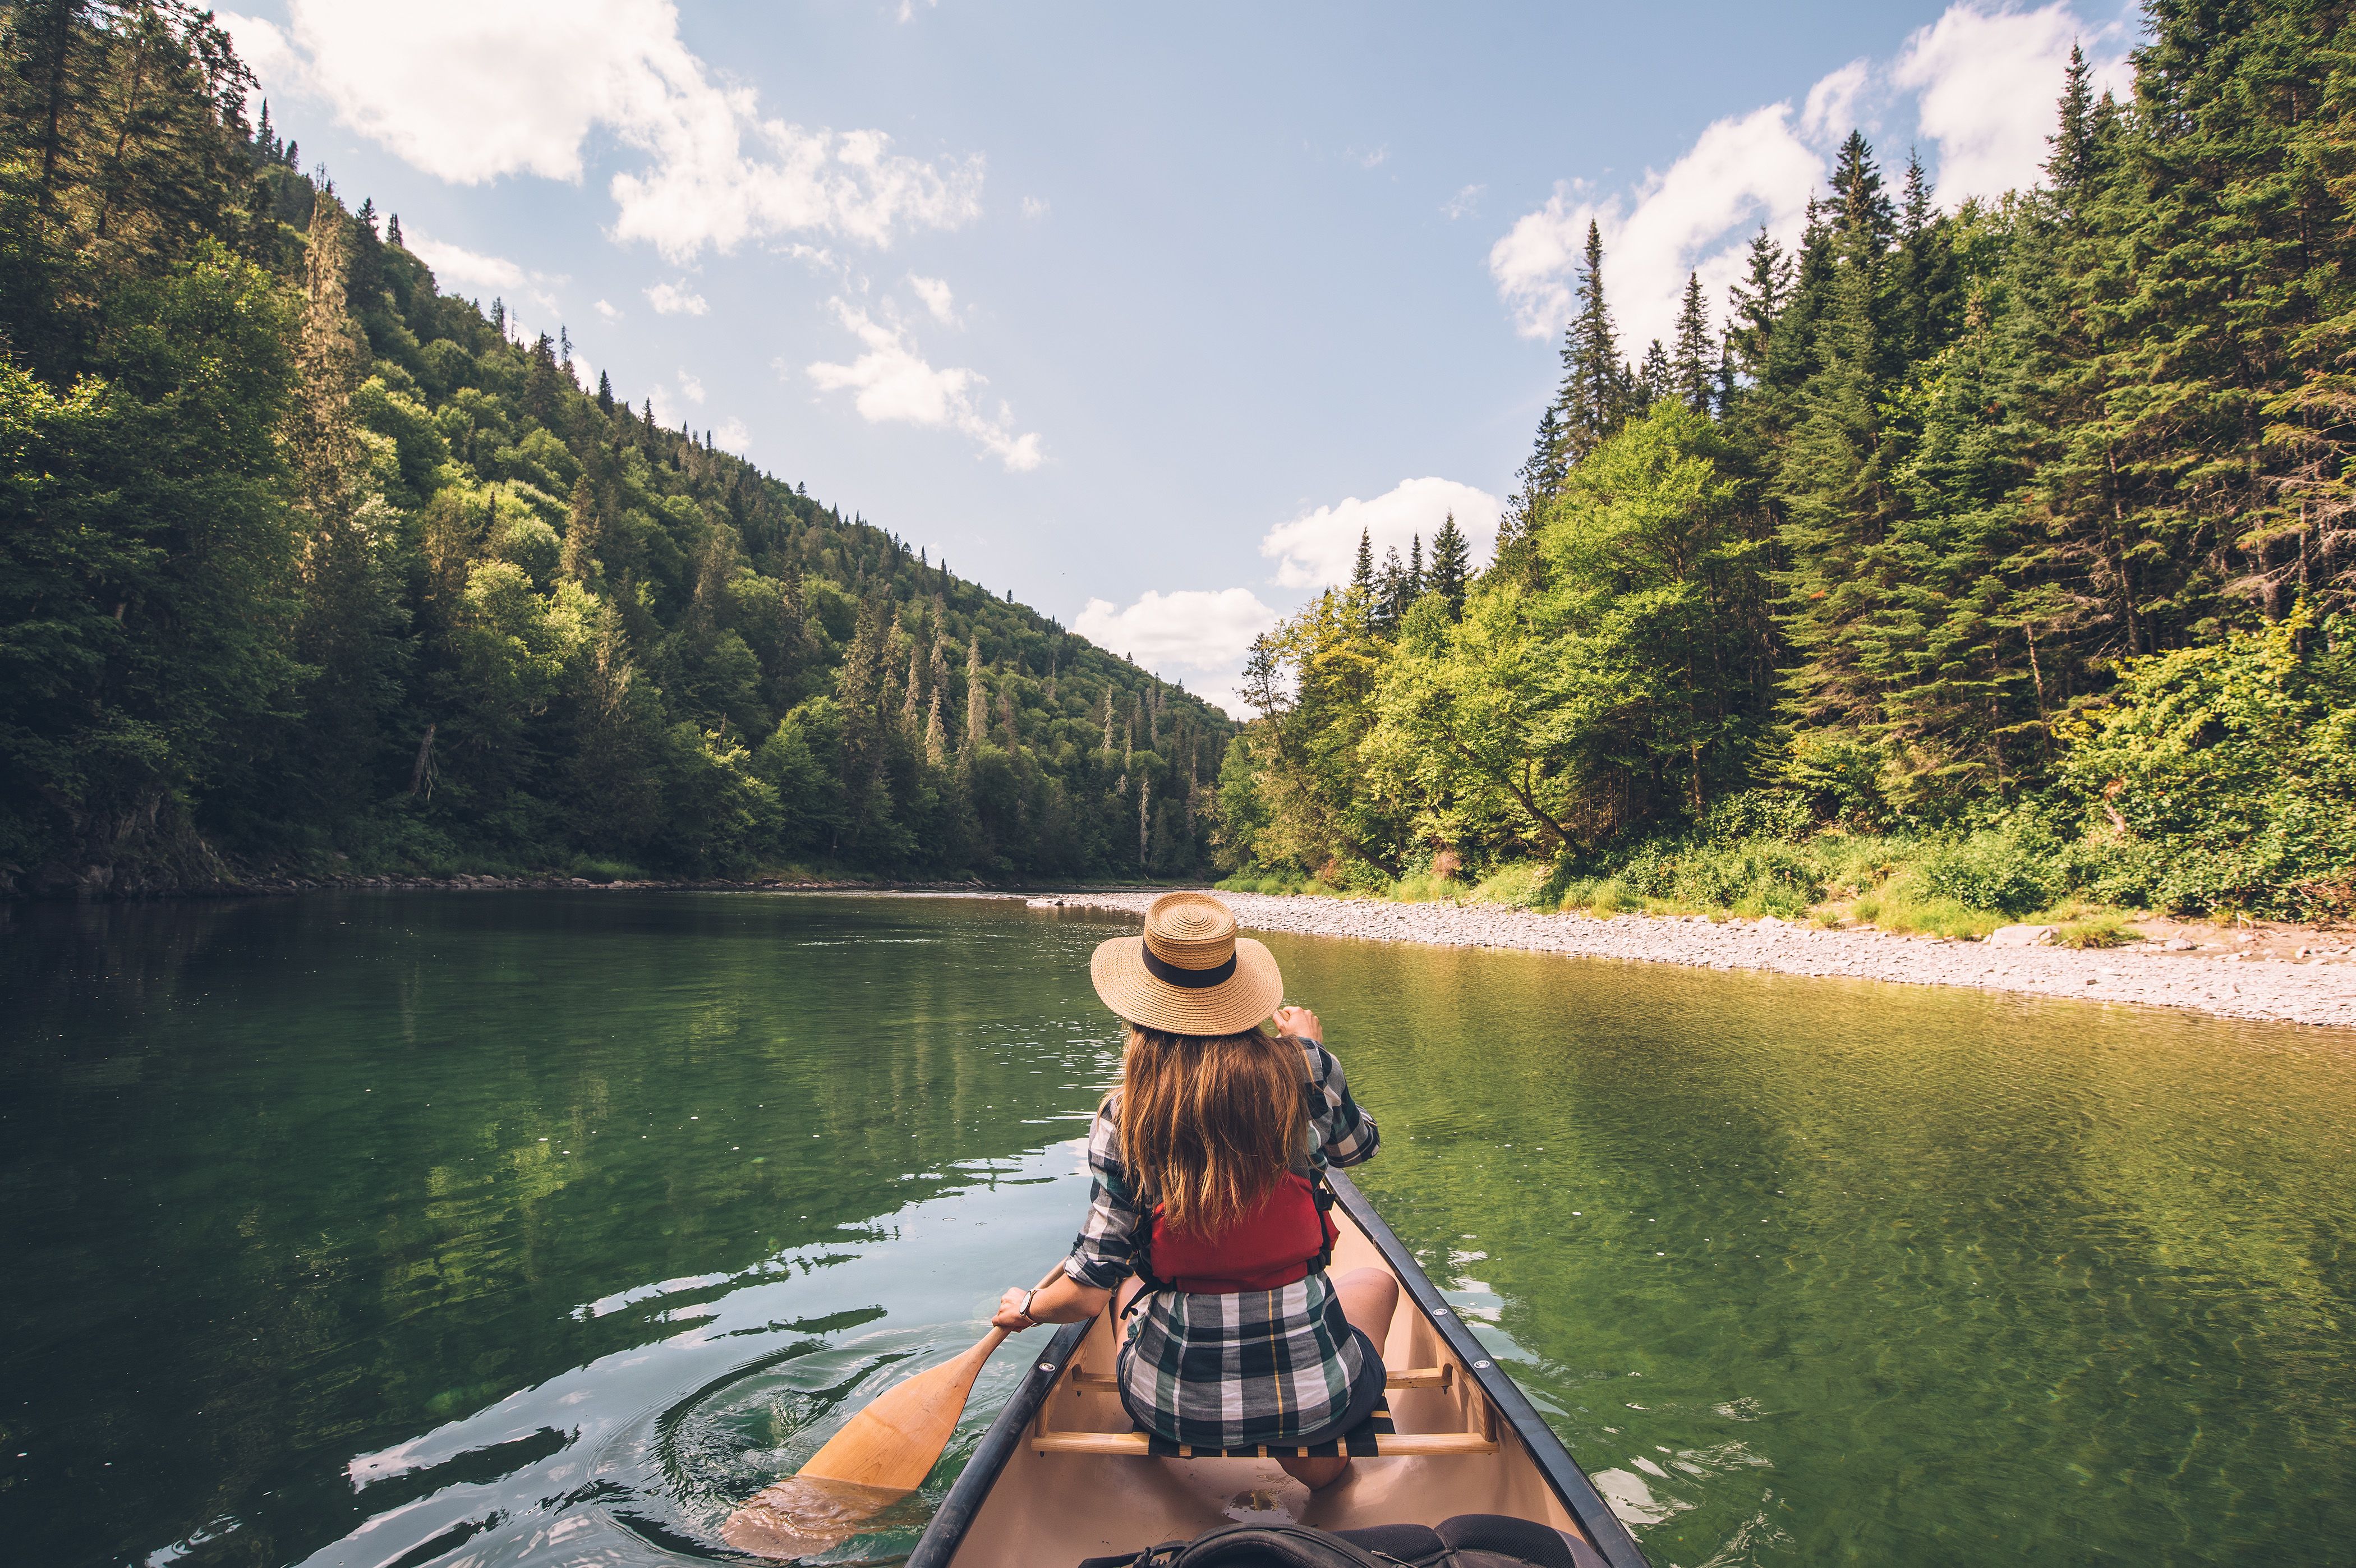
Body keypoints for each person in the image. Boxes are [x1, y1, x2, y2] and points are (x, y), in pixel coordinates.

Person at [993, 891, 1396, 1490]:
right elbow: (1356, 1149)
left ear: (1142, 1011)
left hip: (1172, 1405)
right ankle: (1321, 1465)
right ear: (1240, 994)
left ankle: (1166, 1470)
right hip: (1313, 1402)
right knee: (1376, 1283)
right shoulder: (1306, 1067)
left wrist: (1027, 1306)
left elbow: (1082, 1293)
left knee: (1124, 1285)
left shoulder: (1125, 1115)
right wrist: (1314, 1048)